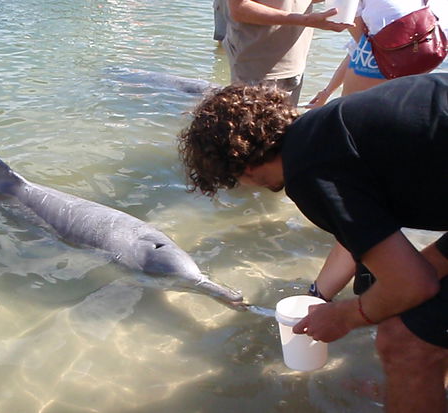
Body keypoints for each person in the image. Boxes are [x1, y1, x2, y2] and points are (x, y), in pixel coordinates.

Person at [177, 74, 448, 413]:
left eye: (235, 181)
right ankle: (421, 387)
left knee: (402, 341)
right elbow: (361, 237)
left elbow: (413, 283)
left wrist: (346, 316)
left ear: (244, 168)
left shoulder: (306, 172)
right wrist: (317, 298)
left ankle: (415, 375)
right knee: (421, 284)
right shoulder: (326, 130)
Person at [307, 0, 448, 108]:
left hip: (389, 58)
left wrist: (327, 93)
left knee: (348, 117)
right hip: (425, 49)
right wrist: (327, 91)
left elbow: (361, 44)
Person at [223, 0, 352, 105]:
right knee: (255, 126)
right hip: (258, 66)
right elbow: (239, 9)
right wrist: (305, 20)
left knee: (286, 126)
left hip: (295, 62)